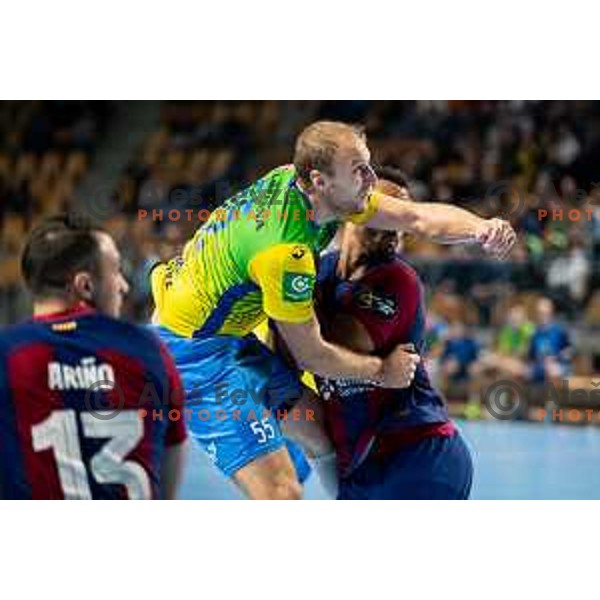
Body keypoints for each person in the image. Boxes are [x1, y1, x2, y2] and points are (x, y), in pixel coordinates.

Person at [150, 121, 515, 500]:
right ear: (319, 180)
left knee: (315, 428)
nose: (371, 178)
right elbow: (313, 354)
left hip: (219, 328)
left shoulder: (305, 186)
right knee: (282, 493)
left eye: (369, 164)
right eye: (359, 169)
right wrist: (381, 370)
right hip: (195, 355)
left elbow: (415, 217)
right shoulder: (284, 253)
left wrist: (481, 227)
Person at [311, 166, 473, 499]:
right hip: (360, 464)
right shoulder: (321, 270)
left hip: (419, 454)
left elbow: (335, 344)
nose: (396, 224)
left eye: (403, 216)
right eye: (388, 209)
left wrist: (286, 298)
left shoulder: (397, 279)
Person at [0, 215, 188, 499]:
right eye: (115, 271)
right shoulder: (147, 350)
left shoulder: (8, 355)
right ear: (85, 285)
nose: (124, 285)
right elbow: (171, 458)